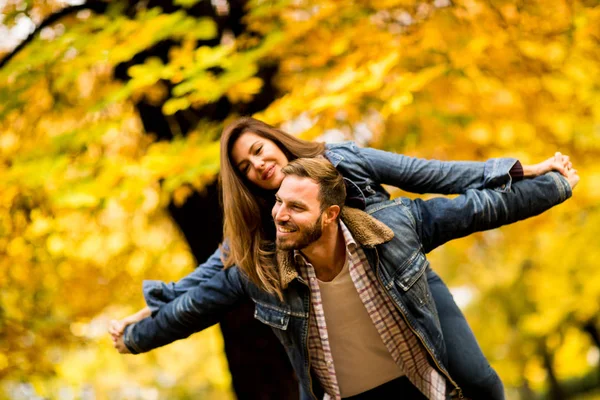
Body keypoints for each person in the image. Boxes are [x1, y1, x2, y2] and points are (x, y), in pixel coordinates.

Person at [109, 117, 573, 399]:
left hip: (399, 277)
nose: (258, 167)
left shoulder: (345, 162)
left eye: (257, 151)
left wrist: (520, 170)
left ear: (273, 140)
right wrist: (154, 308)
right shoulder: (259, 241)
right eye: (246, 170)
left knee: (479, 381)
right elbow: (204, 286)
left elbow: (431, 175)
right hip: (334, 325)